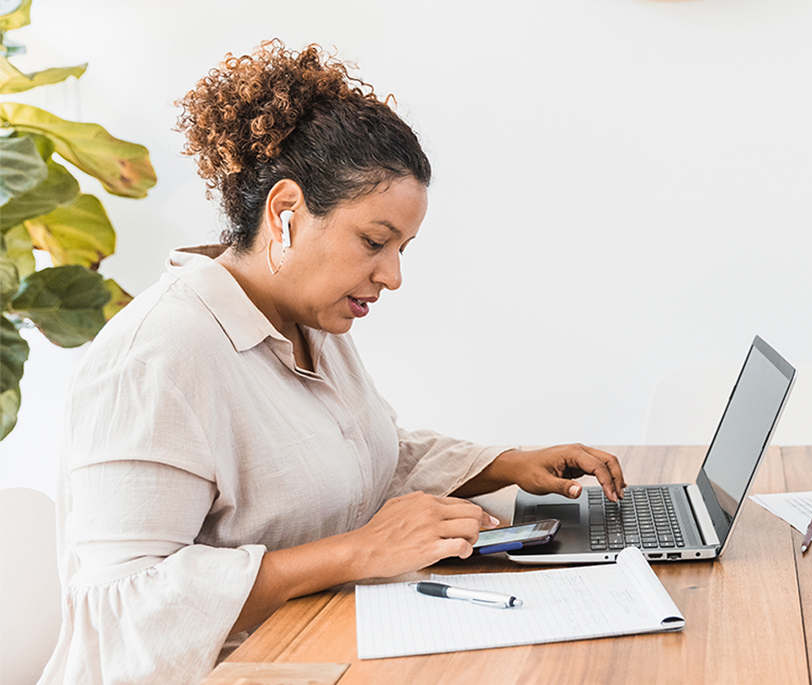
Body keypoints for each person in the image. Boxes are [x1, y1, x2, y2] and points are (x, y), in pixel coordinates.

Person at [39, 40, 625, 685]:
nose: (393, 276)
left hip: (324, 644)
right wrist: (357, 552)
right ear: (286, 213)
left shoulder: (310, 319)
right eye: (375, 242)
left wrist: (505, 465)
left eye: (402, 248)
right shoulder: (156, 356)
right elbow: (123, 607)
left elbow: (358, 461)